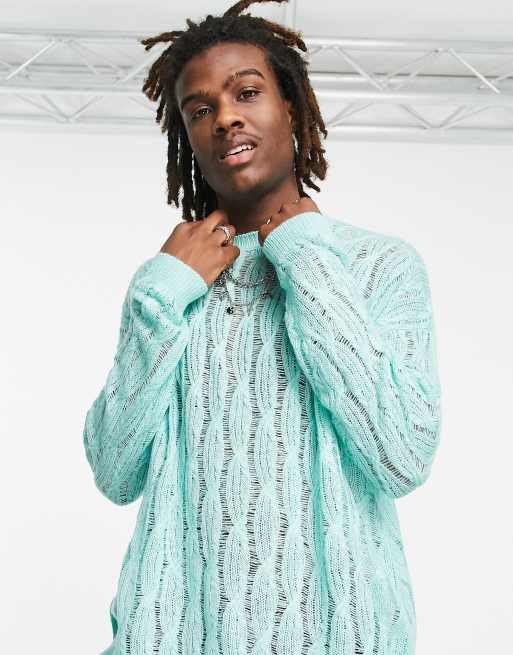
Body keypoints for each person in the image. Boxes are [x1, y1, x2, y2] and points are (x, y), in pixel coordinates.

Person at [82, 1, 443, 654]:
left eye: (246, 92)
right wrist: (159, 296)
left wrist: (305, 257)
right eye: (199, 110)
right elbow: (114, 470)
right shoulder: (175, 281)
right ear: (187, 138)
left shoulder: (377, 265)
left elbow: (400, 456)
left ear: (292, 109)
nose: (225, 117)